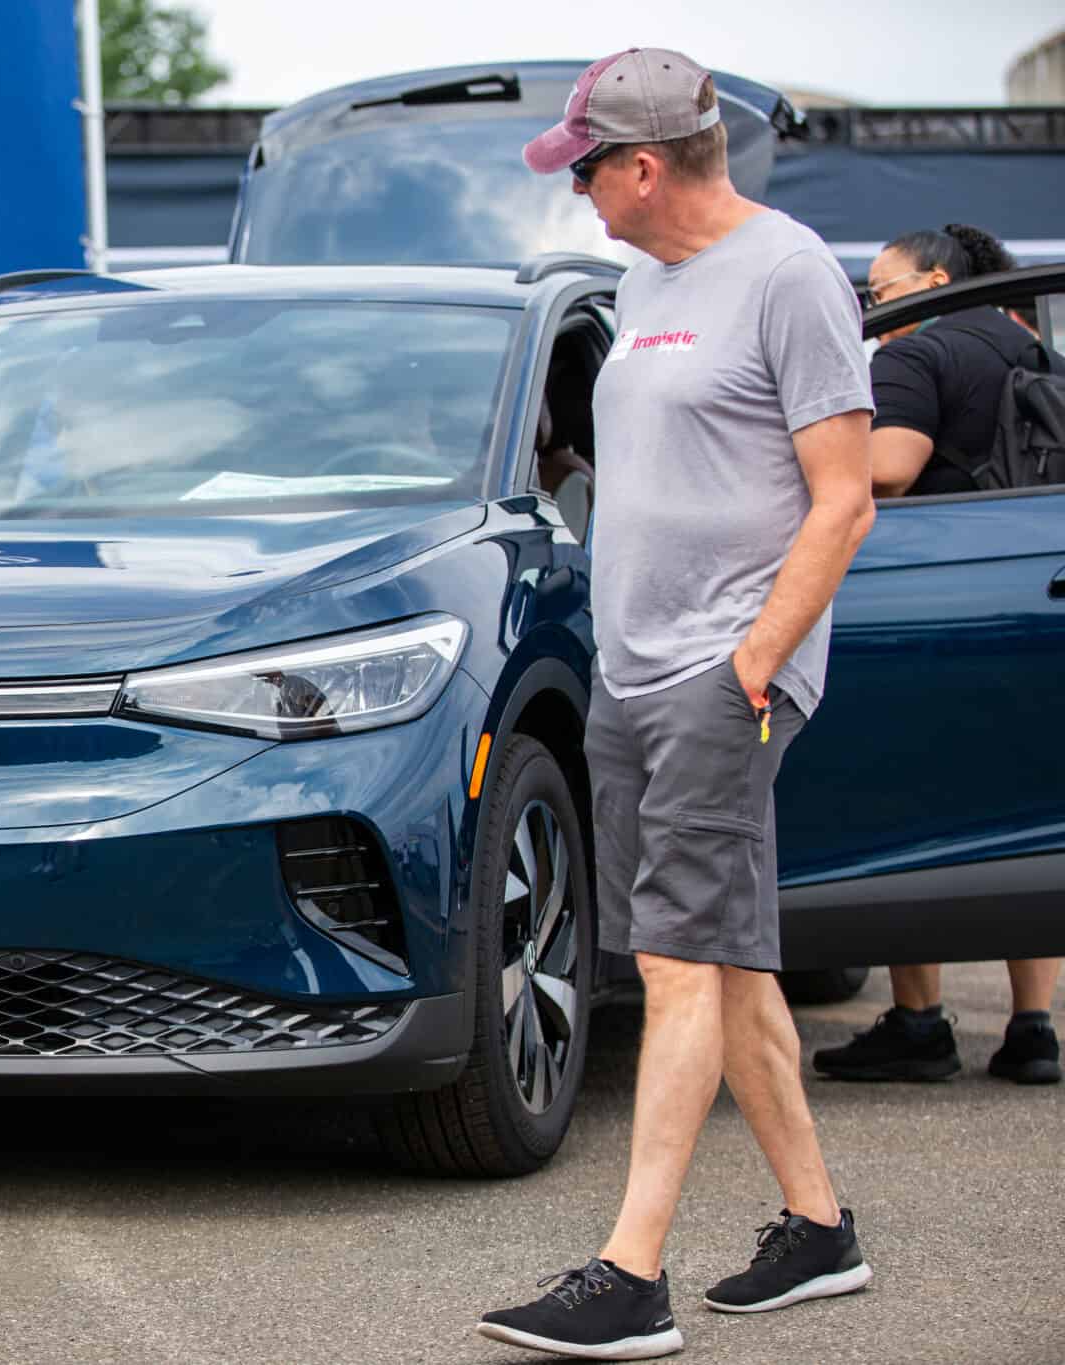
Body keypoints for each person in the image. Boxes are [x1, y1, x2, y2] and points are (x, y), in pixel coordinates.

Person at [480, 49, 879, 1360]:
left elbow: (846, 494)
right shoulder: (645, 280)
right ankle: (819, 1228)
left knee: (676, 958)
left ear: (645, 165)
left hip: (727, 670)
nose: (580, 191)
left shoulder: (788, 273)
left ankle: (630, 1272)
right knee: (728, 953)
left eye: (588, 168)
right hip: (636, 668)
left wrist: (757, 658)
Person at [809, 224, 1063, 1085]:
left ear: (936, 280)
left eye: (880, 292)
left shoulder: (916, 352)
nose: (872, 310)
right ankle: (1033, 1028)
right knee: (1024, 800)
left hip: (937, 598)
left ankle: (921, 1021)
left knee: (913, 795)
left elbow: (887, 472)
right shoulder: (1039, 347)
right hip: (1034, 596)